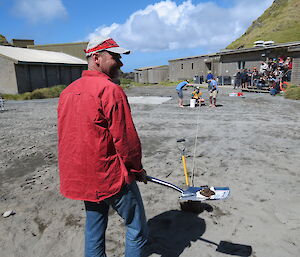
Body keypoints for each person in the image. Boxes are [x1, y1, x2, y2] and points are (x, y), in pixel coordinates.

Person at [57, 36, 148, 257]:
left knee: (94, 227)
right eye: (115, 56)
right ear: (96, 58)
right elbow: (126, 142)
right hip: (109, 176)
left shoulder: (67, 91)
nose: (121, 63)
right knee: (137, 228)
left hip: (84, 176)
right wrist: (137, 170)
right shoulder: (110, 90)